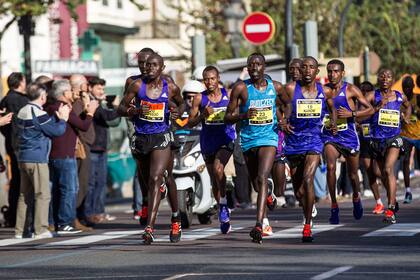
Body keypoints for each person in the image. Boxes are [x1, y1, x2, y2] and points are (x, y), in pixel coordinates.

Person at [118, 53, 185, 244]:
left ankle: (156, 225)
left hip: (162, 136)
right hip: (141, 137)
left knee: (158, 177)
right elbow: (120, 109)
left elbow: (182, 104)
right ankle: (172, 213)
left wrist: (176, 112)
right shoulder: (137, 85)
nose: (149, 68)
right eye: (146, 65)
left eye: (154, 65)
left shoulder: (170, 86)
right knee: (149, 180)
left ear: (162, 68)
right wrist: (135, 111)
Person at [224, 53, 288, 244]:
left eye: (257, 65)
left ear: (264, 67)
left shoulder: (275, 87)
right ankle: (268, 194)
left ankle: (259, 224)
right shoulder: (241, 88)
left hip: (269, 137)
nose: (254, 68)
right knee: (256, 183)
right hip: (248, 140)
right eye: (250, 65)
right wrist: (243, 116)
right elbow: (228, 117)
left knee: (261, 178)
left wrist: (285, 120)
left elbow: (288, 103)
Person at [282, 56, 337, 242]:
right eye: (304, 67)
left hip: (314, 140)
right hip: (294, 142)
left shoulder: (325, 91)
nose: (307, 70)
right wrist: (282, 121)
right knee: (299, 192)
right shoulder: (290, 89)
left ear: (316, 71)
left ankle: (307, 226)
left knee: (308, 178)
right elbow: (279, 106)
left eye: (311, 67)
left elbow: (332, 109)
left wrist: (333, 124)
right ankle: (307, 206)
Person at [322, 59, 374, 225]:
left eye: (336, 71)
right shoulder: (324, 90)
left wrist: (352, 115)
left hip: (349, 136)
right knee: (331, 167)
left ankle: (356, 196)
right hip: (331, 135)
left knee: (352, 175)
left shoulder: (351, 89)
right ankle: (334, 205)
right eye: (329, 71)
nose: (332, 74)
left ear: (342, 73)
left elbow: (371, 109)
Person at [15, 83, 69, 239]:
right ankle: (41, 229)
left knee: (24, 195)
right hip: (37, 158)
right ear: (42, 97)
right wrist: (63, 119)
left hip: (23, 157)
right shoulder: (38, 113)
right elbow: (56, 131)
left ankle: (21, 230)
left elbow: (41, 127)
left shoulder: (22, 111)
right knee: (43, 194)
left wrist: (55, 118)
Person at [46, 79, 99, 234]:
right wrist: (90, 112)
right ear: (64, 93)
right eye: (69, 90)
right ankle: (65, 223)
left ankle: (57, 222)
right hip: (65, 154)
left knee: (58, 189)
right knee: (69, 189)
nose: (72, 92)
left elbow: (75, 123)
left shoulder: (51, 107)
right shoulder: (63, 108)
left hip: (55, 154)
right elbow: (83, 125)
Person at [188, 66, 236, 234]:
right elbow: (190, 123)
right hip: (208, 141)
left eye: (212, 79)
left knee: (218, 168)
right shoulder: (199, 99)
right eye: (206, 79)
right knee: (215, 179)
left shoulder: (228, 95)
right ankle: (222, 204)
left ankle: (223, 206)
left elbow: (237, 113)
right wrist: (203, 115)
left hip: (226, 138)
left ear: (218, 78)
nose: (209, 82)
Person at [366, 68, 411, 224]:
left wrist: (407, 117)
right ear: (378, 78)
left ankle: (390, 208)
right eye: (382, 76)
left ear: (393, 80)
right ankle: (393, 199)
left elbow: (408, 106)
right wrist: (377, 106)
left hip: (393, 138)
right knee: (379, 173)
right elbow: (361, 113)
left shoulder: (399, 96)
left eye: (388, 76)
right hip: (376, 140)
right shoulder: (372, 96)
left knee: (387, 169)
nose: (385, 78)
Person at [84, 77, 120, 224]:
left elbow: (111, 121)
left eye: (103, 89)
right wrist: (117, 107)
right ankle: (90, 213)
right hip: (93, 148)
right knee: (92, 183)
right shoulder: (91, 103)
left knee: (100, 182)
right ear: (90, 88)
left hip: (101, 148)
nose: (102, 92)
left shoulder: (99, 103)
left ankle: (99, 212)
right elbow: (106, 116)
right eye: (99, 88)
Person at [0, 72, 28, 227]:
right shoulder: (22, 101)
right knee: (22, 181)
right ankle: (19, 217)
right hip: (21, 145)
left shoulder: (4, 99)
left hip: (11, 144)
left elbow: (4, 127)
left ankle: (11, 215)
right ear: (21, 83)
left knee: (15, 181)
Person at [69, 74, 95, 231]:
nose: (88, 86)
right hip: (81, 147)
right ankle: (72, 217)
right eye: (86, 84)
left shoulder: (80, 101)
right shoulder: (76, 104)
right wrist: (89, 109)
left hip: (86, 145)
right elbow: (81, 124)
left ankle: (79, 216)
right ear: (80, 86)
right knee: (81, 183)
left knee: (83, 183)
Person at [357, 81, 384, 214]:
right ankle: (378, 202)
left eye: (367, 90)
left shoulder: (377, 102)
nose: (364, 93)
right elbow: (356, 118)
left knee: (379, 172)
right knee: (370, 172)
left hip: (377, 140)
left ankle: (391, 196)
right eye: (362, 90)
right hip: (365, 141)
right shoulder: (358, 103)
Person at [400, 76, 420, 204]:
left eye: (409, 86)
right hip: (405, 135)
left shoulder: (418, 98)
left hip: (419, 135)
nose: (407, 88)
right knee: (405, 162)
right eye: (404, 86)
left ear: (413, 86)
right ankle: (408, 191)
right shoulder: (399, 99)